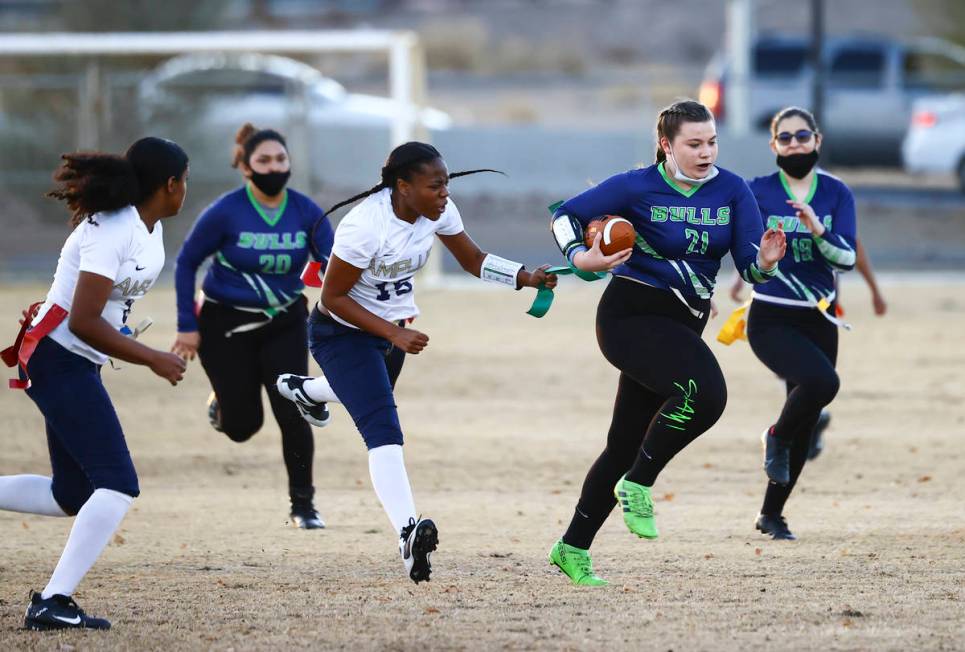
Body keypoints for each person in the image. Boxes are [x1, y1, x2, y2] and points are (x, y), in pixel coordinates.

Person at [274, 141, 557, 583]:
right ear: (402, 187)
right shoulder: (366, 226)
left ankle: (305, 391)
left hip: (390, 334)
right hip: (342, 332)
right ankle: (408, 533)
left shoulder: (438, 210)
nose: (445, 194)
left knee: (367, 396)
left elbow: (473, 259)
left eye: (446, 184)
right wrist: (393, 332)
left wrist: (524, 276)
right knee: (383, 430)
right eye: (435, 185)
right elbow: (331, 299)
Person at [546, 100, 786, 586]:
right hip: (630, 315)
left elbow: (748, 265)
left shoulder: (733, 190)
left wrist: (765, 261)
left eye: (712, 141)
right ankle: (640, 482)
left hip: (684, 322)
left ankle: (571, 547)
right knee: (706, 395)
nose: (706, 152)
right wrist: (580, 258)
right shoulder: (637, 184)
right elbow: (564, 217)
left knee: (622, 445)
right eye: (693, 144)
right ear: (666, 146)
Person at [0, 138, 189, 630]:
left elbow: (96, 308)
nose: (185, 189)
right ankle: (52, 602)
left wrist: (122, 333)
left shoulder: (151, 229)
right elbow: (83, 320)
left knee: (73, 493)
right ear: (170, 185)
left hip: (71, 359)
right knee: (118, 485)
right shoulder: (115, 227)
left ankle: (54, 600)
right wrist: (152, 358)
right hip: (58, 358)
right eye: (183, 180)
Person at [171, 123, 334, 529]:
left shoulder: (306, 211)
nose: (274, 166)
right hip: (225, 325)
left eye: (281, 159)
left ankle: (304, 505)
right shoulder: (225, 212)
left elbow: (335, 265)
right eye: (264, 160)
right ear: (245, 166)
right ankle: (223, 404)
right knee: (243, 427)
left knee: (291, 411)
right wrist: (186, 325)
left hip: (285, 322)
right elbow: (186, 262)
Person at [742, 106, 858, 540]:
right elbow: (738, 244)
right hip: (771, 316)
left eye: (802, 136)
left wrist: (817, 231)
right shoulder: (756, 192)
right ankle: (775, 434)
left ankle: (771, 514)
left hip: (819, 318)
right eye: (785, 138)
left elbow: (846, 258)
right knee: (823, 384)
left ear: (817, 140)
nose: (794, 144)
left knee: (806, 421)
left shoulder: (836, 193)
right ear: (774, 145)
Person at [730, 237, 886, 461]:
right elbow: (761, 236)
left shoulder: (828, 204)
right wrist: (740, 276)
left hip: (816, 300)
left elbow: (854, 244)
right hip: (777, 299)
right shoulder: (773, 203)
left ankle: (797, 429)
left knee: (804, 370)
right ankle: (800, 427)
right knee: (791, 367)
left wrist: (874, 290)